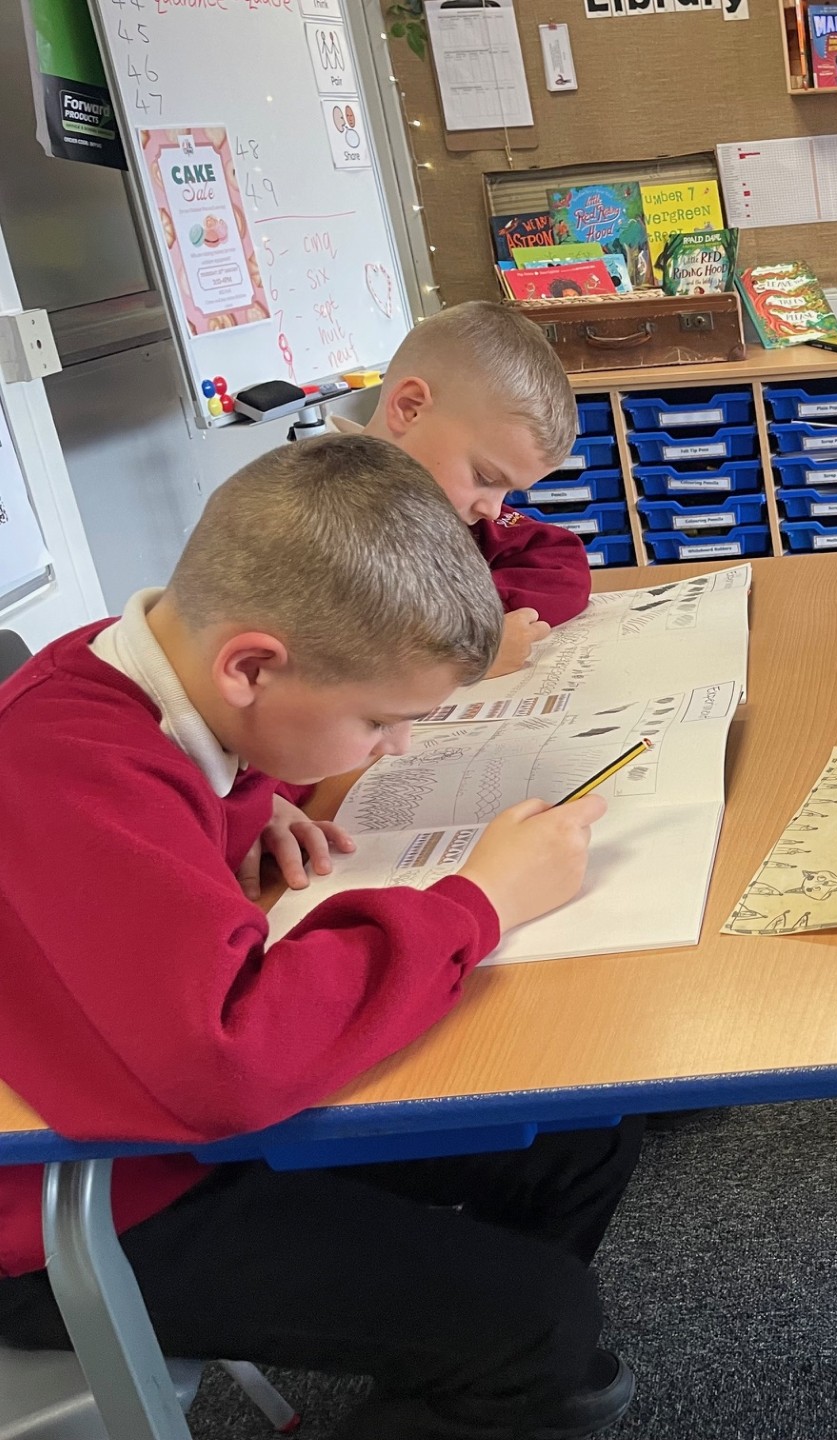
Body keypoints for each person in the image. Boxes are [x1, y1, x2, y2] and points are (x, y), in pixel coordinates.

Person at [0, 436, 639, 1440]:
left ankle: (462, 1365)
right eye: (380, 721)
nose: (398, 746)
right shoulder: (64, 764)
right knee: (542, 1327)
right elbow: (224, 1062)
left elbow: (172, 812)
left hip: (157, 1131)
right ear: (251, 666)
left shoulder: (150, 672)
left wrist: (253, 803)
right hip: (73, 1204)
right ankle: (498, 1358)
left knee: (580, 1138)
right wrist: (477, 904)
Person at [332, 300, 593, 676]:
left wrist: (475, 617)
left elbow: (561, 565)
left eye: (508, 492)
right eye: (485, 477)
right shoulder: (303, 519)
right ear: (409, 408)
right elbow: (314, 666)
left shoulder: (454, 510)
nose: (492, 509)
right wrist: (463, 653)